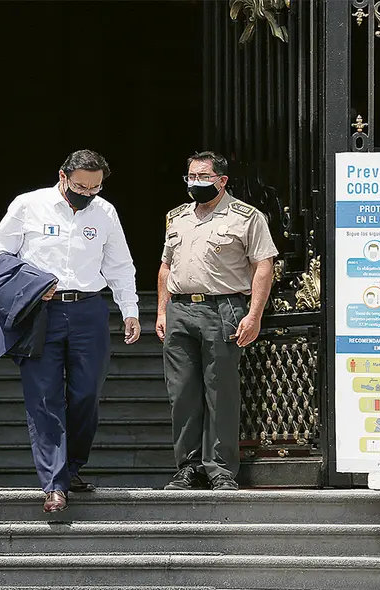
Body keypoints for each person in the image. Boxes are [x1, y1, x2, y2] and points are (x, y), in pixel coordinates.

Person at [0, 149, 140, 513]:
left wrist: (130, 310)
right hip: (40, 312)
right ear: (63, 177)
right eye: (80, 186)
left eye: (95, 188)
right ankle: (54, 483)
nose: (86, 194)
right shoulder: (29, 205)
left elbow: (119, 263)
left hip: (88, 310)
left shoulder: (105, 212)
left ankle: (71, 468)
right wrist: (33, 282)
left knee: (87, 393)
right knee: (44, 397)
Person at [156, 151, 278, 492]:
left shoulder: (247, 217)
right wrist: (162, 311)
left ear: (222, 180)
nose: (195, 183)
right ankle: (188, 467)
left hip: (222, 309)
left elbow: (263, 266)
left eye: (202, 177)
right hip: (180, 310)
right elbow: (166, 266)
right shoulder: (177, 217)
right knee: (181, 393)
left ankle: (220, 468)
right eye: (190, 177)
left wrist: (254, 315)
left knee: (219, 392)